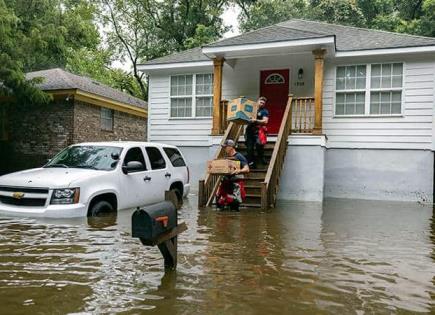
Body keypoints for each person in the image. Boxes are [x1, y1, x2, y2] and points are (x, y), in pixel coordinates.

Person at [215, 139, 250, 211]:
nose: (224, 149)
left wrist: (238, 170)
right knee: (220, 202)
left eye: (226, 147)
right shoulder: (226, 158)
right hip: (226, 182)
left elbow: (247, 169)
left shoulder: (239, 156)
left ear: (231, 147)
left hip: (235, 184)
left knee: (234, 204)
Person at [245, 96, 269, 168]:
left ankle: (261, 157)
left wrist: (256, 120)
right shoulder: (251, 109)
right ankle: (251, 163)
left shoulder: (264, 111)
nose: (262, 104)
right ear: (257, 101)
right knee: (249, 148)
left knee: (259, 145)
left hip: (258, 131)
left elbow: (265, 121)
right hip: (249, 130)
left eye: (263, 103)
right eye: (260, 102)